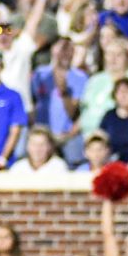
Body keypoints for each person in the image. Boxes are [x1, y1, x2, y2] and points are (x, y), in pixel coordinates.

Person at [30, 37, 87, 167]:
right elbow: (33, 104)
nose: (65, 53)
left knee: (74, 159)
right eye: (62, 48)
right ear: (53, 50)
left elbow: (74, 112)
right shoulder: (40, 73)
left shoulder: (80, 77)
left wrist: (64, 92)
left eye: (69, 49)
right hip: (43, 131)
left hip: (67, 134)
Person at [99, 77, 128, 167]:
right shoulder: (109, 116)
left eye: (127, 92)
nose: (123, 95)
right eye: (120, 92)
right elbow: (100, 138)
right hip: (112, 164)